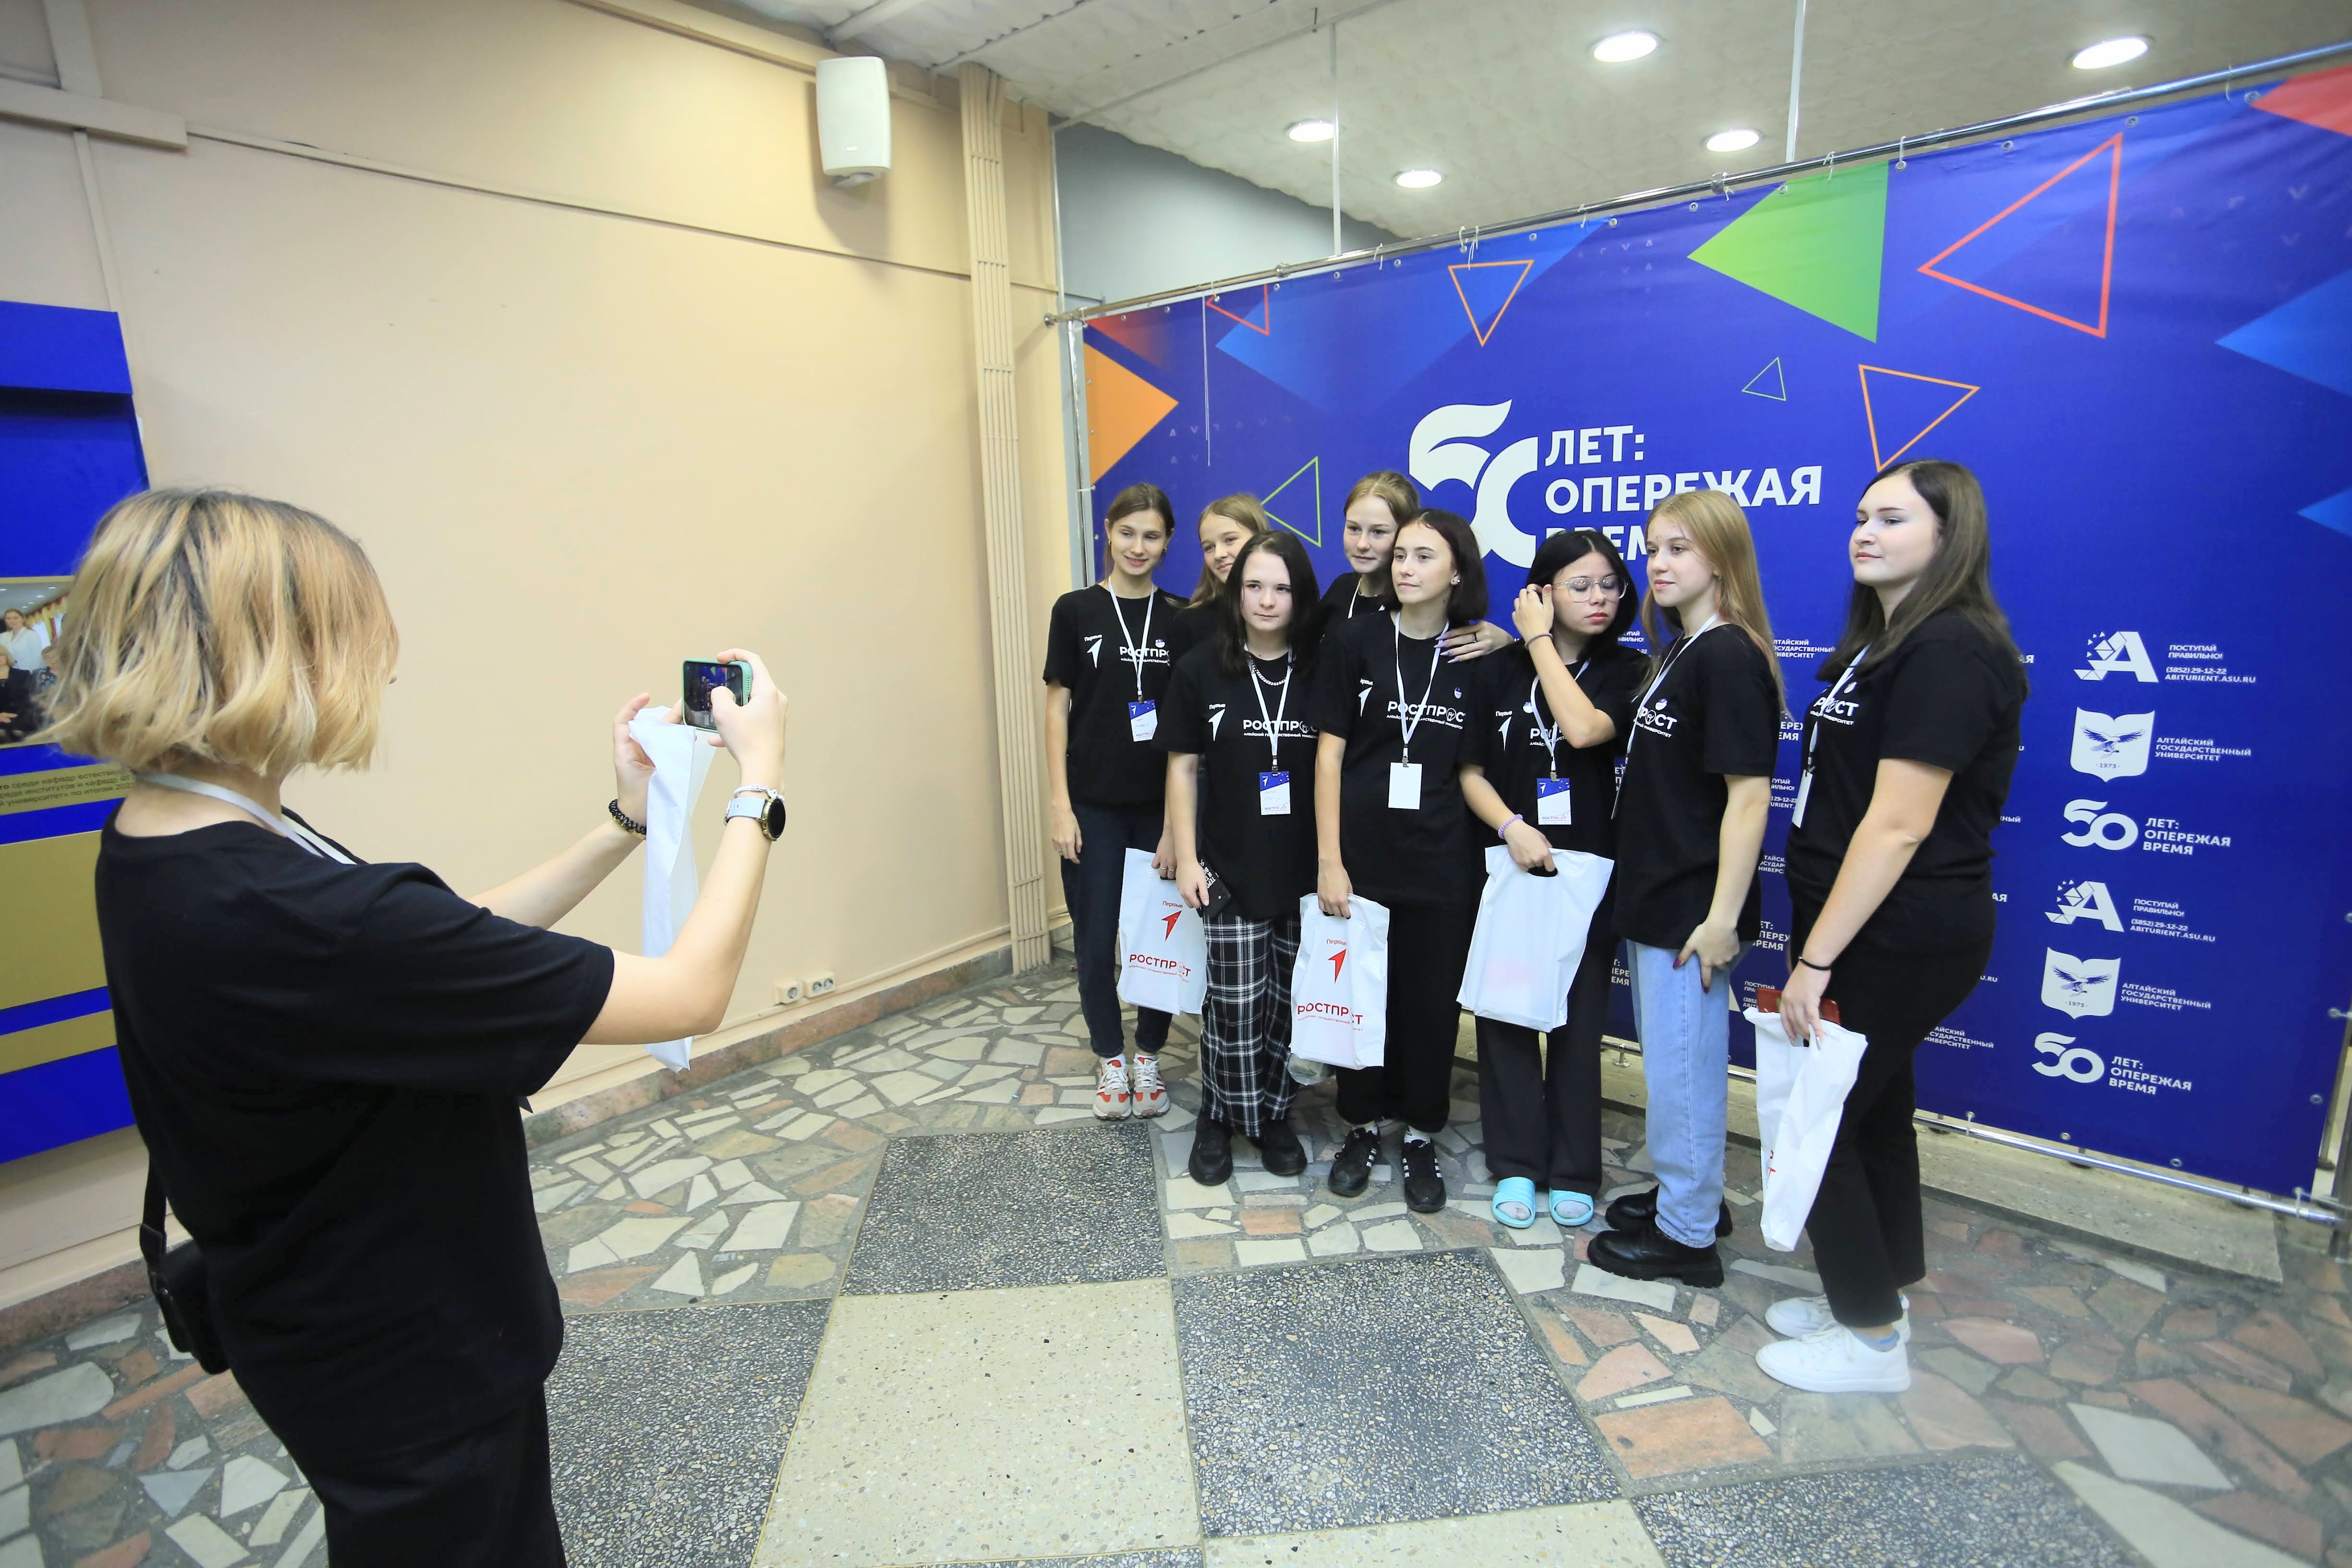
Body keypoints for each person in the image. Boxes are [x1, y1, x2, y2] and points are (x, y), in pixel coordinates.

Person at [39, 487, 791, 1567]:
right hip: (410, 1356)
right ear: (275, 656)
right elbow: (688, 994)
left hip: (315, 1323)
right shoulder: (292, 913)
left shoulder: (166, 841)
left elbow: (434, 949)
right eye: (356, 640)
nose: (382, 671)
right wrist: (758, 784)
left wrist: (623, 821)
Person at [1756, 460, 2026, 1394]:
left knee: (1819, 1123)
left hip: (1896, 935)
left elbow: (1899, 824)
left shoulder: (1950, 648)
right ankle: (1877, 1295)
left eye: (1892, 518)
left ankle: (1870, 1341)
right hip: (1859, 925)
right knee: (1873, 1117)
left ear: (1948, 537)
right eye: (1860, 516)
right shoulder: (1884, 642)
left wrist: (1815, 960)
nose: (1864, 532)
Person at [1590, 489, 1781, 1288]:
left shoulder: (1728, 655)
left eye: (1677, 548)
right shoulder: (1680, 651)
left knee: (1683, 1072)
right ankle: (1686, 1193)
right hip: (1659, 894)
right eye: (1651, 548)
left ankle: (1687, 1235)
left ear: (1721, 557)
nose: (1657, 564)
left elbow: (1749, 797)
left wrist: (1720, 919)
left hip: (1692, 911)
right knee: (1674, 1066)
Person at [1457, 529, 1645, 1230]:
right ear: (1542, 590)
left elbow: (1587, 729)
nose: (1599, 598)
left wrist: (1533, 638)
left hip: (1588, 873)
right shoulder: (1496, 671)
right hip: (1511, 864)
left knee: (1578, 1022)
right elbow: (1469, 772)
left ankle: (1572, 1168)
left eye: (1609, 585)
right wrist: (1510, 826)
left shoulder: (1628, 669)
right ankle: (1515, 1163)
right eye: (1580, 585)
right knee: (1506, 1015)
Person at [1309, 508, 1491, 1213]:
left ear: (1457, 572)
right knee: (1363, 1002)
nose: (1405, 567)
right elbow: (1328, 756)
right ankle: (1360, 1126)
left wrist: (1508, 638)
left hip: (1443, 862)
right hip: (1362, 859)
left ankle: (1418, 1133)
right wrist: (1329, 860)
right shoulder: (1355, 638)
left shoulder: (1476, 655)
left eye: (1424, 556)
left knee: (1428, 1008)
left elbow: (1474, 768)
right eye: (1401, 555)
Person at [1159, 531, 1323, 1182]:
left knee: (1284, 1004)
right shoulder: (1201, 668)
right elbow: (1181, 768)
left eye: (1281, 588)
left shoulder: (1321, 668)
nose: (1266, 600)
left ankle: (1273, 1115)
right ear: (1235, 592)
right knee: (1232, 1006)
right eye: (1253, 585)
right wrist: (1186, 857)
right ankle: (1219, 1116)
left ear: (1300, 595)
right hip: (1228, 865)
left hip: (1304, 870)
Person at [1043, 481, 1187, 1120]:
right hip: (1092, 807)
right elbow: (1057, 710)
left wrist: (1177, 826)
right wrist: (1060, 804)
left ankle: (1148, 1056)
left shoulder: (1181, 618)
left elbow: (1188, 730)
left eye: (1151, 535)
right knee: (1096, 939)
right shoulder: (1075, 610)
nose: (1138, 546)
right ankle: (1110, 1059)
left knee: (1158, 940)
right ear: (1107, 529)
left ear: (1167, 541)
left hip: (1159, 812)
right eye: (1127, 532)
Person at [1320, 471, 1514, 662]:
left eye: (1378, 532)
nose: (1362, 544)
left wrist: (1509, 642)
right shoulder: (1341, 588)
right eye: (1353, 528)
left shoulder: (1423, 601)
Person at [1166, 493, 1267, 660]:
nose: (1219, 554)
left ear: (1259, 538)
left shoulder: (1292, 613)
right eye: (1209, 547)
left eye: (1230, 540)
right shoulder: (1191, 623)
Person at [0, 608, 49, 679]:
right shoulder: (3, 636)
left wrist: (32, 675)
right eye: (9, 619)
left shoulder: (31, 634)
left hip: (28, 673)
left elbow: (37, 657)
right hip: (9, 675)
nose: (12, 621)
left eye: (16, 618)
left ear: (23, 619)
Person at [0, 648, 36, 742]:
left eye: (1, 655)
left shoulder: (24, 675)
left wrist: (17, 715)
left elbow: (31, 698)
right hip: (1, 719)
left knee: (18, 732)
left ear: (7, 656)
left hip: (23, 716)